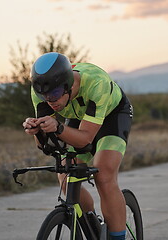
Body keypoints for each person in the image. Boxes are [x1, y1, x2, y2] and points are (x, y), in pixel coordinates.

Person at [22, 52, 133, 240]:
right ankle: (91, 223)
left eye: (55, 94)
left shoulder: (96, 83)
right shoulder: (42, 92)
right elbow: (45, 145)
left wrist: (57, 127)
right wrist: (37, 130)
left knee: (104, 174)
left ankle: (117, 236)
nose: (51, 101)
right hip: (79, 116)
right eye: (44, 96)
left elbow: (85, 140)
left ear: (69, 85)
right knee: (66, 175)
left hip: (112, 116)